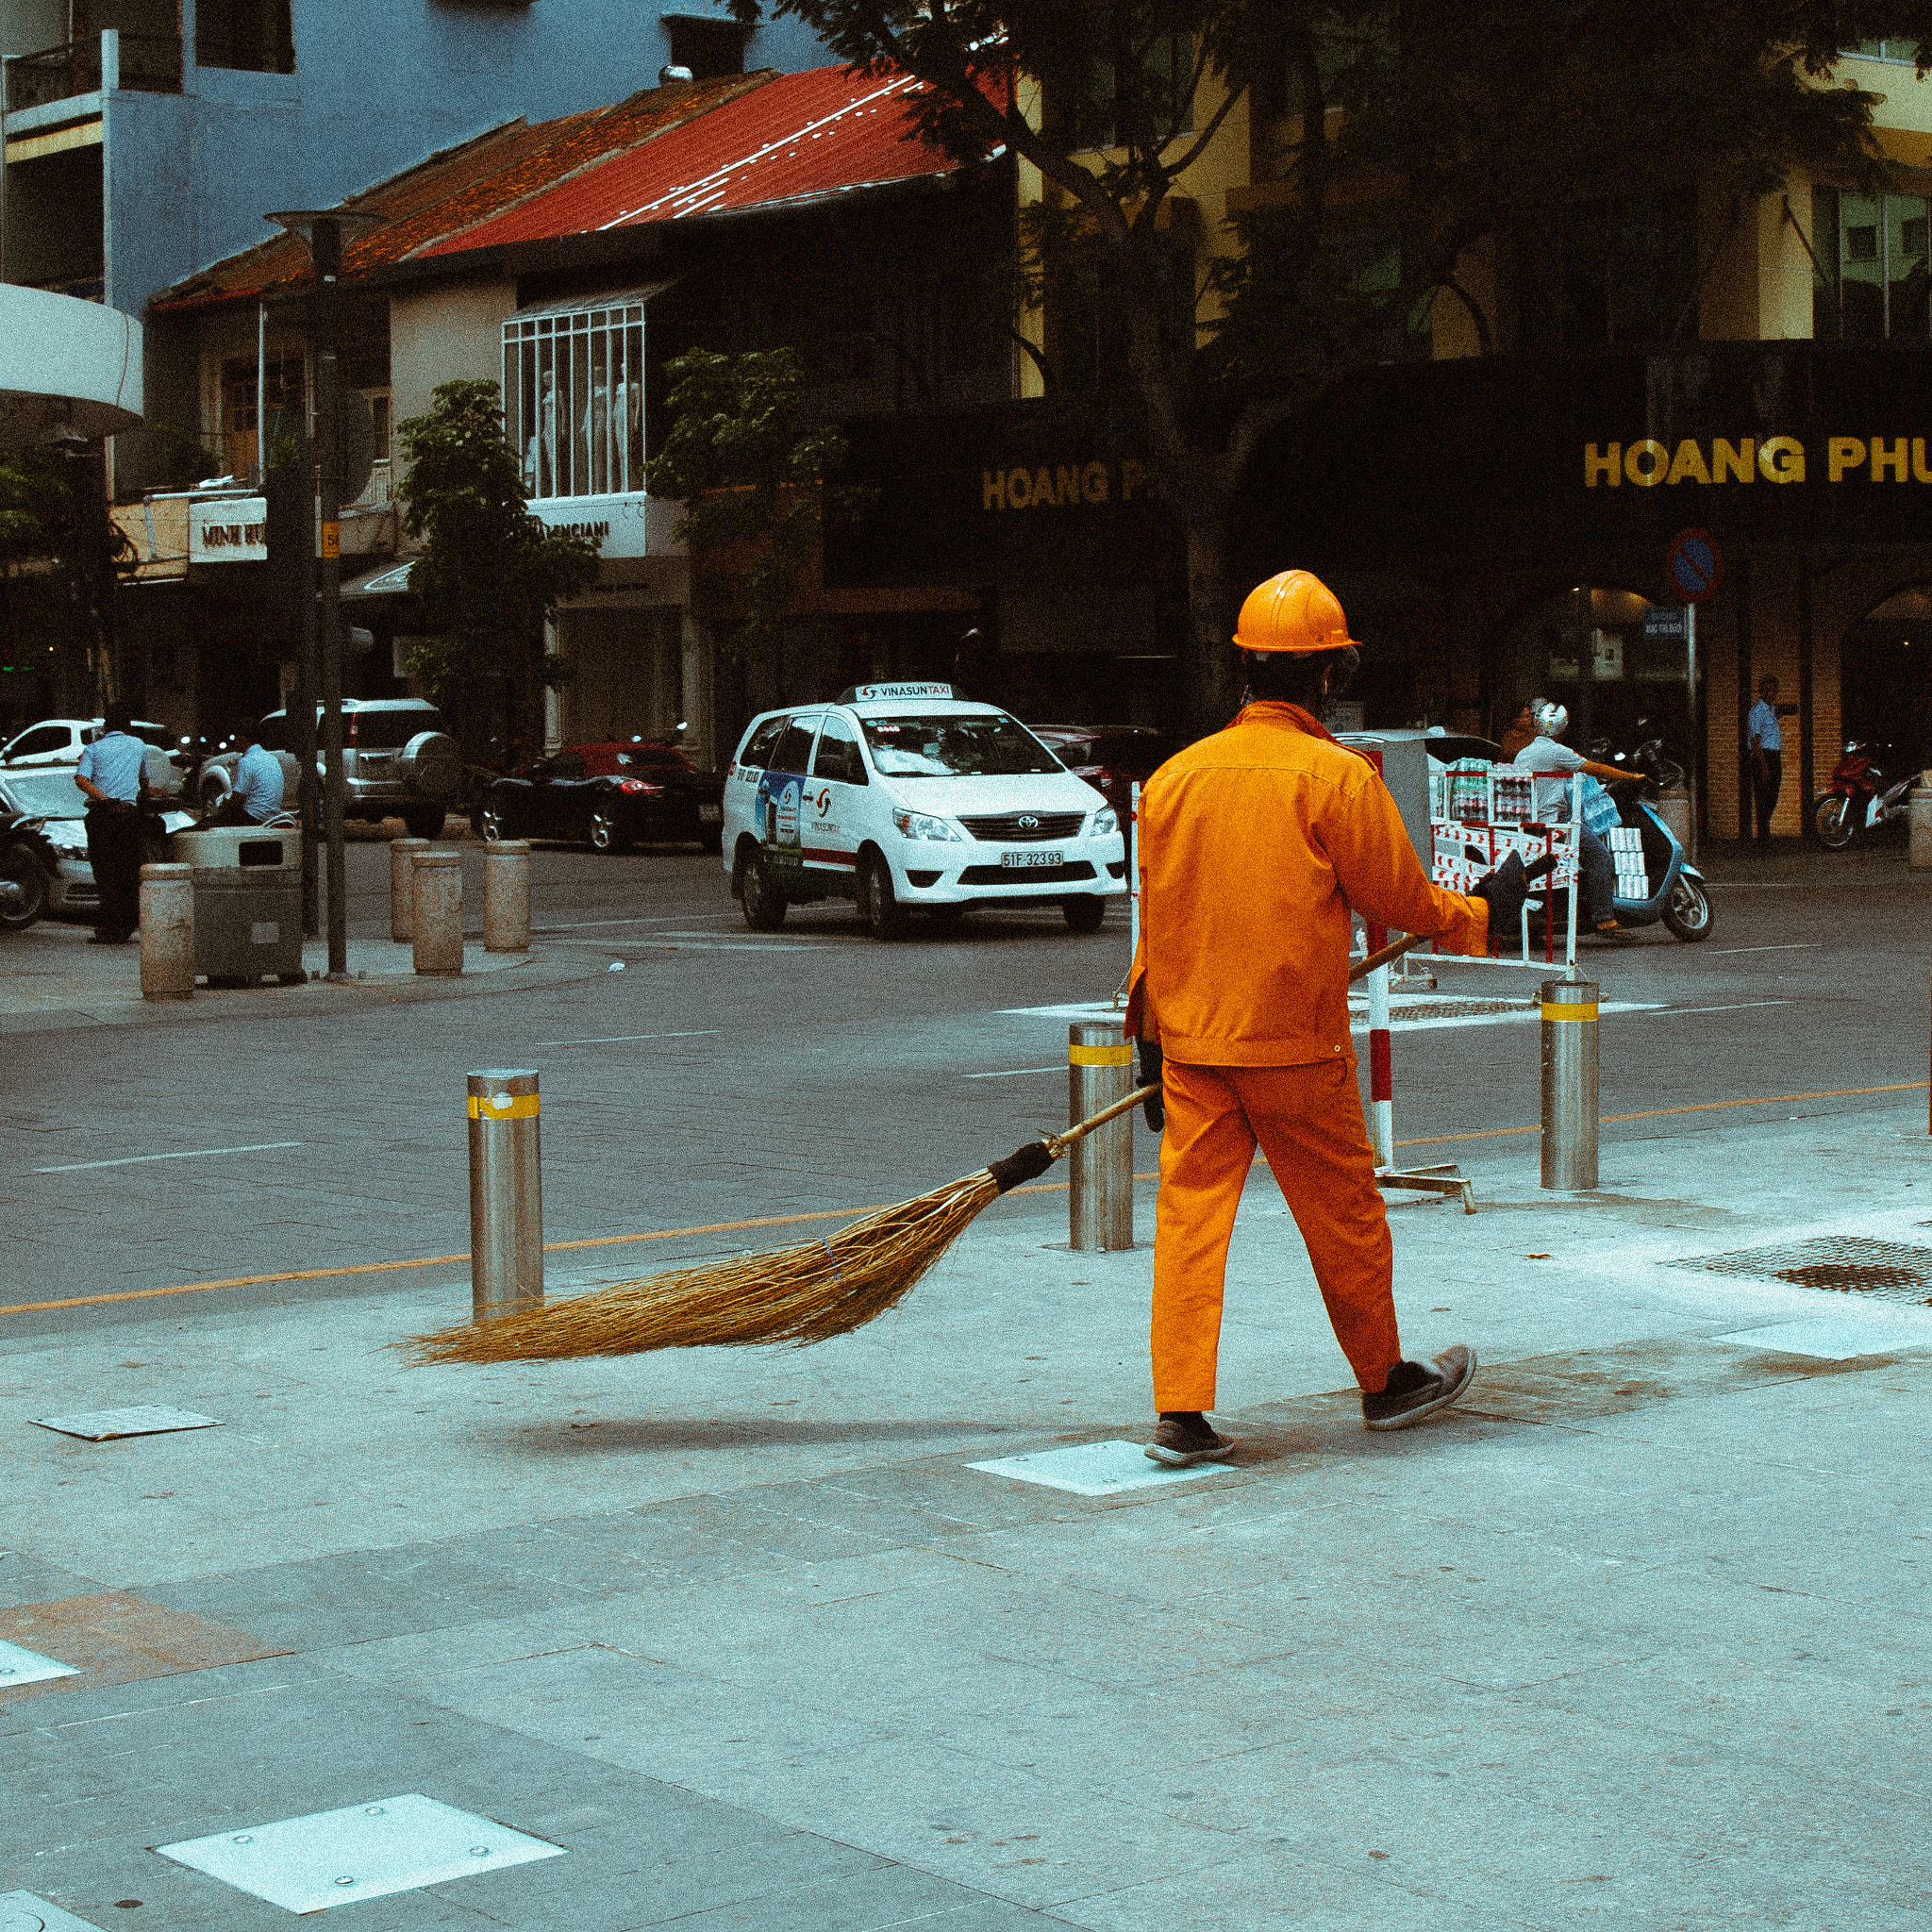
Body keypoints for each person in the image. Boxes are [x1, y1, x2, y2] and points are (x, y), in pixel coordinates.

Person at [1124, 569, 1531, 1467]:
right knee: (1344, 1213)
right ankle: (1385, 1383)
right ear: (1327, 677)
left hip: (1194, 1047)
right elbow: (1399, 898)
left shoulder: (1174, 779)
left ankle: (1181, 1413)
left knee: (1190, 1222)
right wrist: (1485, 913)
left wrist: (1145, 1039)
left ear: (1243, 670)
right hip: (1295, 1050)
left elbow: (1157, 920)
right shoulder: (1334, 779)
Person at [1510, 700, 1628, 942]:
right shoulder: (1558, 752)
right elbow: (1596, 768)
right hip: (1556, 823)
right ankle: (1604, 918)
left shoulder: (1524, 752)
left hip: (1531, 823)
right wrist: (1632, 777)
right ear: (1562, 728)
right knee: (1599, 856)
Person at [73, 706, 148, 944]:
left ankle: (112, 926)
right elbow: (144, 780)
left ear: (105, 726)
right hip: (128, 815)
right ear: (128, 726)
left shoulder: (93, 749)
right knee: (127, 870)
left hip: (103, 815)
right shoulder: (138, 745)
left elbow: (81, 779)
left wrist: (104, 799)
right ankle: (126, 922)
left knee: (105, 872)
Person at [206, 727, 285, 826]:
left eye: (236, 739)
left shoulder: (246, 761)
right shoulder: (272, 758)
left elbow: (237, 800)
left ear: (242, 740)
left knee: (205, 825)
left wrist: (223, 806)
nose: (234, 742)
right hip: (272, 816)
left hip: (253, 817)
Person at [1749, 675, 1782, 848]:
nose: (1771, 693)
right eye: (1768, 690)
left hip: (1774, 755)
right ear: (1761, 691)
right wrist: (1764, 766)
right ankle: (1763, 836)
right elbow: (1755, 740)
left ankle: (1765, 830)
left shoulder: (1771, 709)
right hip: (1763, 756)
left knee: (1773, 795)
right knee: (1763, 796)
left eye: (1774, 690)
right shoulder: (1757, 711)